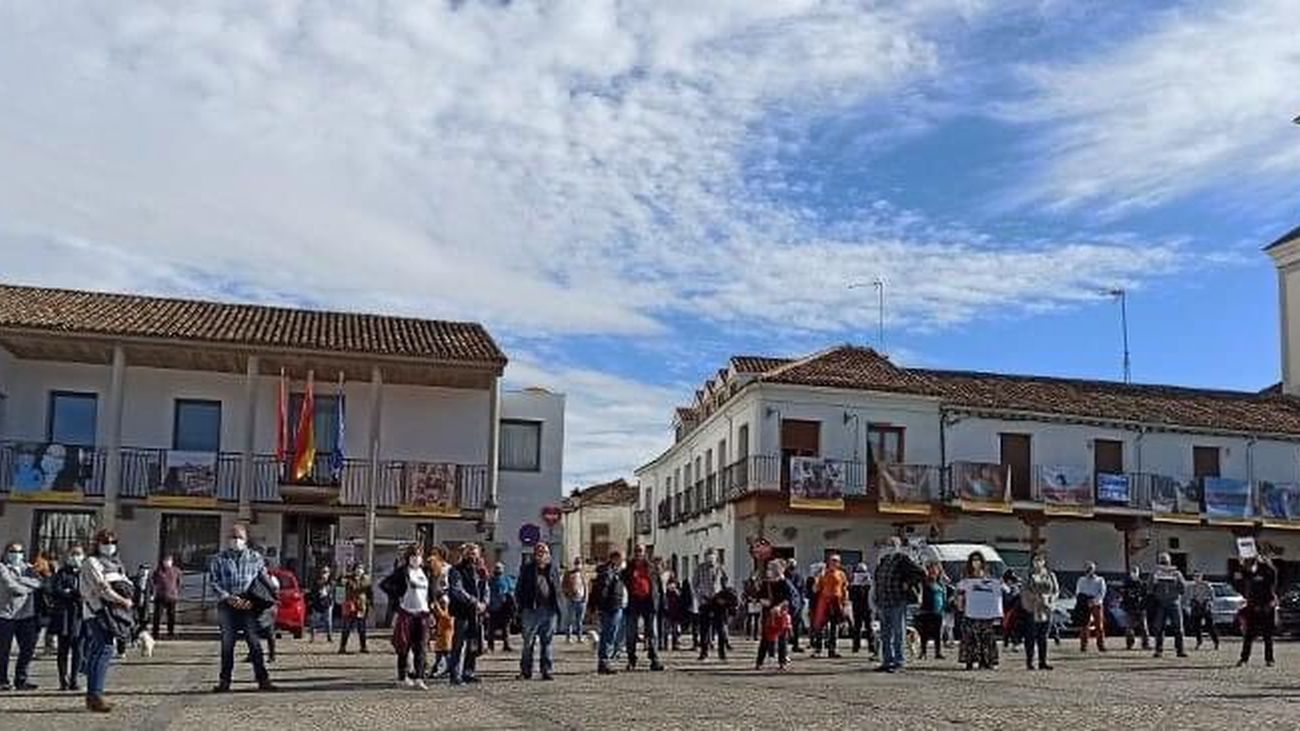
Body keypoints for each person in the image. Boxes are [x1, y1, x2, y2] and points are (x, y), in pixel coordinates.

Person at [207, 523, 276, 694]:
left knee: (254, 643)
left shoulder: (255, 557)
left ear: (245, 540)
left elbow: (264, 580)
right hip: (227, 604)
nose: (235, 540)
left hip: (248, 604)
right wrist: (228, 597)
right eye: (233, 537)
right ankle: (224, 681)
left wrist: (268, 595)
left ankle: (263, 680)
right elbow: (213, 582)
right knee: (227, 644)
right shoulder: (219, 559)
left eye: (239, 537)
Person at [80, 530, 133, 712]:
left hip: (114, 611)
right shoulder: (91, 562)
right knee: (104, 649)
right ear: (97, 543)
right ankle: (95, 694)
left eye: (113, 541)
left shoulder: (116, 563)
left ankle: (94, 694)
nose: (109, 545)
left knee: (99, 649)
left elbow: (126, 582)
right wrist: (122, 600)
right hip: (97, 611)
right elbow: (101, 587)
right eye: (105, 542)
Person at [873, 536, 925, 673]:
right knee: (885, 634)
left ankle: (899, 662)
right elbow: (877, 579)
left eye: (892, 544)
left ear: (898, 546)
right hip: (883, 601)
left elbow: (921, 572)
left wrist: (908, 583)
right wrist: (876, 598)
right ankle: (887, 661)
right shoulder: (883, 560)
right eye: (887, 544)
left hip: (897, 601)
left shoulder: (902, 559)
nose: (889, 546)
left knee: (898, 632)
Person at [383, 545, 430, 688]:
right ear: (408, 558)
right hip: (407, 613)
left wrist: (432, 605)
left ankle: (419, 677)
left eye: (418, 556)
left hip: (422, 613)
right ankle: (402, 677)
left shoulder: (425, 572)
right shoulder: (402, 571)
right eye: (413, 556)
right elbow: (385, 585)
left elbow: (431, 591)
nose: (416, 559)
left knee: (421, 647)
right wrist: (398, 597)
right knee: (404, 646)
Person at [0, 541, 43, 691]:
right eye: (13, 551)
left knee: (28, 648)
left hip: (26, 614)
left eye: (19, 552)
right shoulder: (2, 567)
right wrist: (29, 588)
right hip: (6, 614)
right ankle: (2, 680)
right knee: (3, 649)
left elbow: (39, 583)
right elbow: (11, 587)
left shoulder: (28, 568)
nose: (16, 555)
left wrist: (20, 580)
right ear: (6, 553)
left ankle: (21, 678)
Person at [516, 542, 561, 680]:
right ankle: (526, 671)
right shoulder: (527, 569)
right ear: (535, 554)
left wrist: (558, 607)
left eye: (544, 552)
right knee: (528, 642)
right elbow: (519, 588)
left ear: (548, 555)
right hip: (531, 610)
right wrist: (521, 607)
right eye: (539, 552)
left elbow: (557, 588)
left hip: (549, 610)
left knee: (547, 642)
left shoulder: (552, 569)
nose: (542, 554)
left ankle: (546, 670)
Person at [447, 543, 488, 685]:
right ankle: (455, 675)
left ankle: (468, 672)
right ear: (464, 554)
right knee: (458, 645)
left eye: (474, 553)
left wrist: (484, 603)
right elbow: (457, 590)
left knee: (473, 644)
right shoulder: (456, 570)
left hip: (476, 614)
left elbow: (486, 589)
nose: (472, 556)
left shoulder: (480, 571)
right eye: (469, 553)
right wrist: (474, 601)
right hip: (462, 612)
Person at [621, 544, 665, 671]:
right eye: (636, 551)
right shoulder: (628, 568)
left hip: (649, 602)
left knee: (652, 632)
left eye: (640, 551)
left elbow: (658, 586)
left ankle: (654, 658)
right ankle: (631, 659)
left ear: (645, 553)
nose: (638, 553)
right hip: (633, 602)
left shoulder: (652, 568)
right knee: (631, 632)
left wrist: (661, 602)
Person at [957, 551, 1002, 671]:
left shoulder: (988, 577)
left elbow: (994, 593)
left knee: (987, 637)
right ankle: (970, 661)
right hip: (970, 612)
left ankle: (986, 661)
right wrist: (960, 605)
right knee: (970, 637)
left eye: (978, 560)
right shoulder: (966, 578)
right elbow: (961, 592)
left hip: (986, 614)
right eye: (973, 560)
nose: (976, 563)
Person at [47, 547, 84, 691]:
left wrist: (73, 592)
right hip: (65, 616)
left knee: (78, 649)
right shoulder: (62, 573)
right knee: (63, 649)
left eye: (78, 554)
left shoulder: (84, 573)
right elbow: (56, 590)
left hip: (80, 615)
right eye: (73, 554)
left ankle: (74, 679)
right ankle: (63, 679)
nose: (76, 557)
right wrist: (72, 593)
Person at [1235, 553, 1278, 667]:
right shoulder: (1252, 573)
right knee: (1248, 635)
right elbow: (1244, 574)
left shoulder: (1269, 572)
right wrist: (1241, 563)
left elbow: (1273, 574)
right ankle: (1244, 659)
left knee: (1267, 635)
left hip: (1266, 607)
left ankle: (1269, 659)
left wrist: (1265, 561)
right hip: (1253, 608)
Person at [1020, 552, 1059, 671]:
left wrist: (1050, 600)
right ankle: (1030, 662)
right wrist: (1034, 598)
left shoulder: (1050, 575)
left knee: (1043, 636)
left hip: (1046, 608)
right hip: (1033, 608)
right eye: (1036, 560)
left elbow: (1056, 591)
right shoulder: (1028, 575)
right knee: (1030, 636)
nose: (1038, 563)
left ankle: (1043, 661)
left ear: (1044, 561)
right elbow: (1024, 590)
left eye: (1040, 560)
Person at [755, 559, 793, 671]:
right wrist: (763, 601)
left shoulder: (785, 583)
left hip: (781, 614)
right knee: (765, 638)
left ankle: (782, 662)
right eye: (768, 568)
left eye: (771, 568)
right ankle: (759, 662)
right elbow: (759, 596)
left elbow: (788, 598)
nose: (768, 571)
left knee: (782, 638)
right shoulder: (766, 583)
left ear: (779, 570)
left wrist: (779, 607)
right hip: (768, 613)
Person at [593, 550, 627, 675]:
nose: (623, 561)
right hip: (610, 607)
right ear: (615, 559)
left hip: (616, 606)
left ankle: (606, 660)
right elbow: (603, 591)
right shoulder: (608, 572)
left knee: (611, 634)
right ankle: (605, 661)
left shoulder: (616, 571)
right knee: (608, 634)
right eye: (622, 559)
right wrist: (602, 607)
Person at [1148, 552, 1187, 659]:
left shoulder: (1177, 573)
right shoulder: (1154, 573)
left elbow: (1183, 589)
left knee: (1178, 627)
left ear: (1170, 562)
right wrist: (1154, 582)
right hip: (1160, 603)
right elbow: (1149, 589)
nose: (1164, 564)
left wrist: (1177, 582)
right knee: (1159, 627)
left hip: (1174, 602)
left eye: (1165, 562)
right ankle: (1158, 650)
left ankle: (1180, 650)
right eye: (1162, 562)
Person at [692, 549, 729, 661]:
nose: (710, 560)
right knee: (704, 628)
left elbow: (725, 585)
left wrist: (723, 598)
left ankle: (722, 652)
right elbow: (695, 584)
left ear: (716, 558)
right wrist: (700, 597)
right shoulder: (700, 569)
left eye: (712, 557)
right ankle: (704, 652)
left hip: (718, 601)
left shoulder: (720, 569)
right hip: (705, 600)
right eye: (708, 557)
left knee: (720, 628)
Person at [812, 554, 849, 659]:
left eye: (836, 561)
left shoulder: (841, 574)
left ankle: (832, 650)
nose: (834, 562)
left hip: (836, 601)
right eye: (832, 560)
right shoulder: (824, 573)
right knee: (820, 626)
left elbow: (844, 589)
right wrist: (816, 578)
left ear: (839, 563)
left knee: (834, 626)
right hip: (825, 601)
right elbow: (815, 589)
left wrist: (845, 602)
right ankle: (818, 649)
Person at [338, 565, 373, 654]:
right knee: (346, 627)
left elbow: (370, 593)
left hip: (361, 606)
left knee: (362, 628)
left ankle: (363, 647)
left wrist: (370, 604)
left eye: (361, 569)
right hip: (350, 606)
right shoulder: (348, 579)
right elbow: (340, 584)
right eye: (358, 568)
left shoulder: (366, 580)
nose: (359, 570)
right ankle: (342, 647)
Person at [916, 560, 947, 660]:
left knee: (938, 633)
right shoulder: (924, 582)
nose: (933, 571)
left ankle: (938, 652)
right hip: (926, 611)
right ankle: (923, 652)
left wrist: (945, 607)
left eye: (935, 569)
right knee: (924, 633)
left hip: (938, 611)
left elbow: (943, 597)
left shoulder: (941, 584)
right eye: (931, 569)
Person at [1074, 562, 1107, 652]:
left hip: (1096, 604)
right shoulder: (1081, 580)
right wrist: (1084, 601)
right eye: (1087, 568)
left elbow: (1102, 593)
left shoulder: (1100, 580)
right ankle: (1083, 646)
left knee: (1099, 626)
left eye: (1091, 568)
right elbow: (1078, 592)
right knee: (1085, 625)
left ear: (1094, 569)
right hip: (1084, 604)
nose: (1089, 570)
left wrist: (1094, 601)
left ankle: (1101, 645)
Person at [151, 554, 182, 640]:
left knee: (171, 616)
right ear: (163, 562)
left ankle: (170, 632)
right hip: (160, 596)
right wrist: (154, 593)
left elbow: (179, 583)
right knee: (157, 616)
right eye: (166, 561)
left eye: (169, 561)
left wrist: (176, 592)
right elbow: (153, 582)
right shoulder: (158, 571)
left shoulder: (176, 571)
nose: (167, 562)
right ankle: (155, 633)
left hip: (172, 597)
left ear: (172, 562)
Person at [1119, 566, 1150, 651]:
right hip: (1130, 608)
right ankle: (1129, 644)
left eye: (1135, 571)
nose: (1134, 573)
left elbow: (1146, 596)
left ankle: (1145, 644)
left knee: (1144, 627)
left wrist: (1143, 604)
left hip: (1140, 608)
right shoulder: (1126, 584)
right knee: (1129, 627)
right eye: (1132, 571)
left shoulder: (1142, 584)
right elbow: (1123, 595)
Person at [1186, 572, 1219, 651]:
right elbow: (1190, 597)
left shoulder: (1207, 585)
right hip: (1196, 606)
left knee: (1210, 626)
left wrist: (1209, 603)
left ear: (1201, 577)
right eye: (1195, 576)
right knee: (1196, 626)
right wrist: (1191, 604)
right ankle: (1199, 641)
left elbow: (1212, 596)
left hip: (1205, 606)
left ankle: (1216, 642)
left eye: (1198, 576)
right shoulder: (1192, 587)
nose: (1196, 578)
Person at [486, 562, 515, 653]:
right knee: (491, 628)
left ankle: (506, 645)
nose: (498, 570)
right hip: (493, 607)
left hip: (504, 608)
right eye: (496, 568)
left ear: (503, 569)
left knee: (506, 628)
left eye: (499, 568)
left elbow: (511, 591)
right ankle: (490, 646)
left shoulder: (507, 579)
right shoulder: (490, 581)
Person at [848, 561, 875, 657]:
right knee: (857, 627)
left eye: (862, 572)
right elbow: (851, 596)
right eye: (859, 572)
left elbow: (872, 594)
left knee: (869, 627)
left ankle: (871, 646)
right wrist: (853, 585)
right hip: (857, 607)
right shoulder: (854, 584)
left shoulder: (869, 583)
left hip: (867, 607)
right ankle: (856, 646)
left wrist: (867, 584)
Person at [561, 557, 588, 643]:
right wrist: (567, 594)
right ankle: (568, 637)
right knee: (570, 619)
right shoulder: (568, 574)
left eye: (579, 563)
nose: (578, 565)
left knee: (580, 620)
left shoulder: (583, 574)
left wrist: (585, 598)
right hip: (571, 600)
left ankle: (579, 637)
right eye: (576, 563)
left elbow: (586, 586)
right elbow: (563, 586)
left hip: (582, 601)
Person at [307, 565, 335, 644]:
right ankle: (312, 637)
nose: (324, 574)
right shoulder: (316, 582)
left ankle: (329, 637)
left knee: (328, 622)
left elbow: (333, 592)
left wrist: (331, 600)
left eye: (326, 572)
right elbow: (312, 592)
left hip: (327, 604)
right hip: (317, 605)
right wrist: (318, 592)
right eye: (323, 572)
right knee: (314, 622)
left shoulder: (331, 583)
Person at [430, 593, 455, 677]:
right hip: (441, 639)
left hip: (446, 640)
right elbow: (439, 614)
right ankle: (435, 671)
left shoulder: (450, 613)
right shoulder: (444, 611)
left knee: (446, 656)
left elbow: (443, 616)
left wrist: (436, 604)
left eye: (443, 603)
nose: (442, 604)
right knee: (439, 657)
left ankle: (449, 670)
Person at [785, 560, 805, 653]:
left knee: (796, 625)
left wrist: (801, 602)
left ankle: (795, 645)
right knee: (785, 625)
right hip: (786, 604)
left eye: (793, 566)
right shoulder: (784, 576)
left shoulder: (798, 576)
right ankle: (784, 646)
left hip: (796, 604)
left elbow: (802, 590)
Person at [1001, 570, 1023, 649]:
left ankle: (1012, 642)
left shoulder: (1013, 587)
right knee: (1009, 627)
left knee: (1012, 627)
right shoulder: (1003, 588)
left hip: (1013, 611)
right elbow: (1008, 599)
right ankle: (1010, 642)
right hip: (1007, 610)